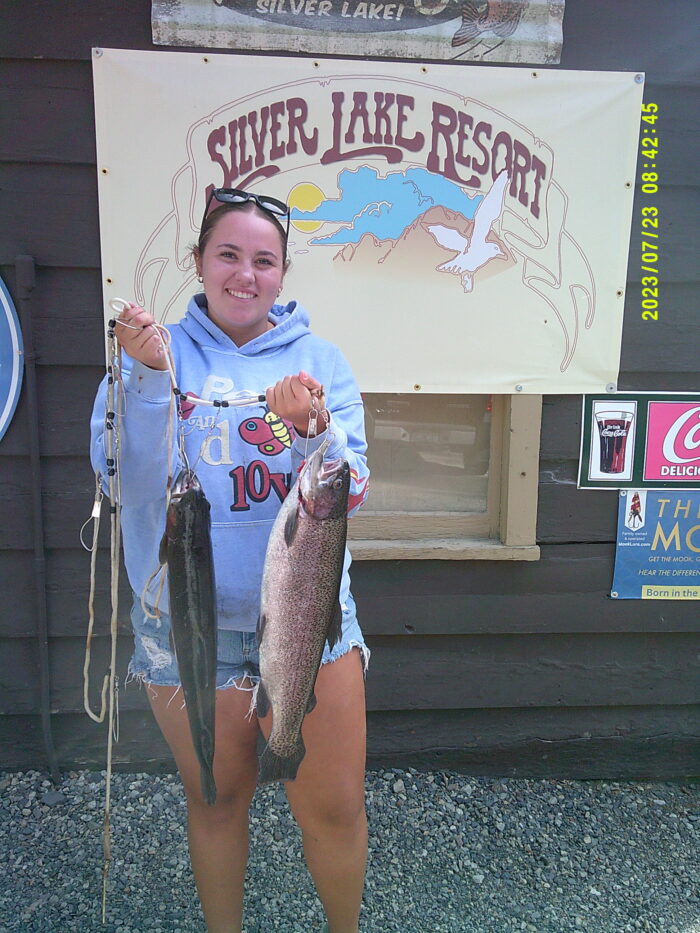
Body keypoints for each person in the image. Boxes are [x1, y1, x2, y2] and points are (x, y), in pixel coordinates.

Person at [90, 188, 370, 933]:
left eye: (264, 260)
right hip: (188, 629)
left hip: (311, 621)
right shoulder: (154, 353)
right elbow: (123, 477)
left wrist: (315, 433)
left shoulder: (321, 362)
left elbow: (352, 485)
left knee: (336, 808)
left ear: (282, 275)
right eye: (228, 255)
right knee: (215, 800)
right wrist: (147, 379)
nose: (245, 274)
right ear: (200, 262)